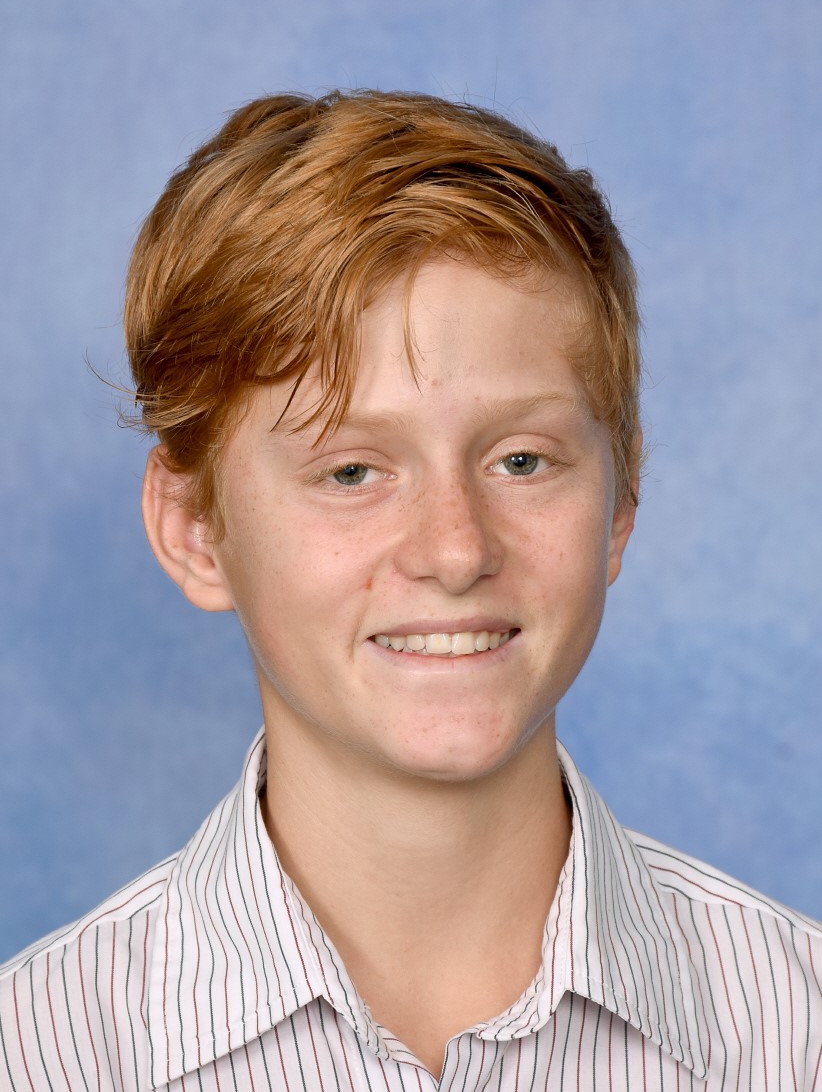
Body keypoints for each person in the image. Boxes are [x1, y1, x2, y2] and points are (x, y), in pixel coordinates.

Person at [1, 90, 819, 1092]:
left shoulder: (797, 1035)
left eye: (521, 460)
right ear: (194, 529)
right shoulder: (35, 1054)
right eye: (351, 470)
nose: (456, 549)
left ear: (622, 496)